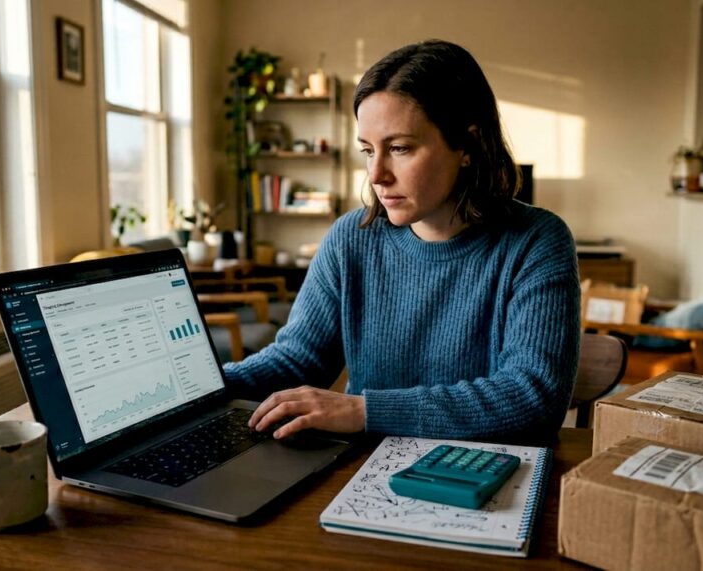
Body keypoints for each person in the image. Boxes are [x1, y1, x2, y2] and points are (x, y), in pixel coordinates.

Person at [224, 39, 580, 441]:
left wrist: (364, 410)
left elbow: (533, 397)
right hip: (360, 472)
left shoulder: (537, 241)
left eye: (398, 148)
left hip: (483, 480)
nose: (376, 174)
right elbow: (296, 361)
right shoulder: (350, 239)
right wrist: (202, 389)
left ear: (467, 144)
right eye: (367, 150)